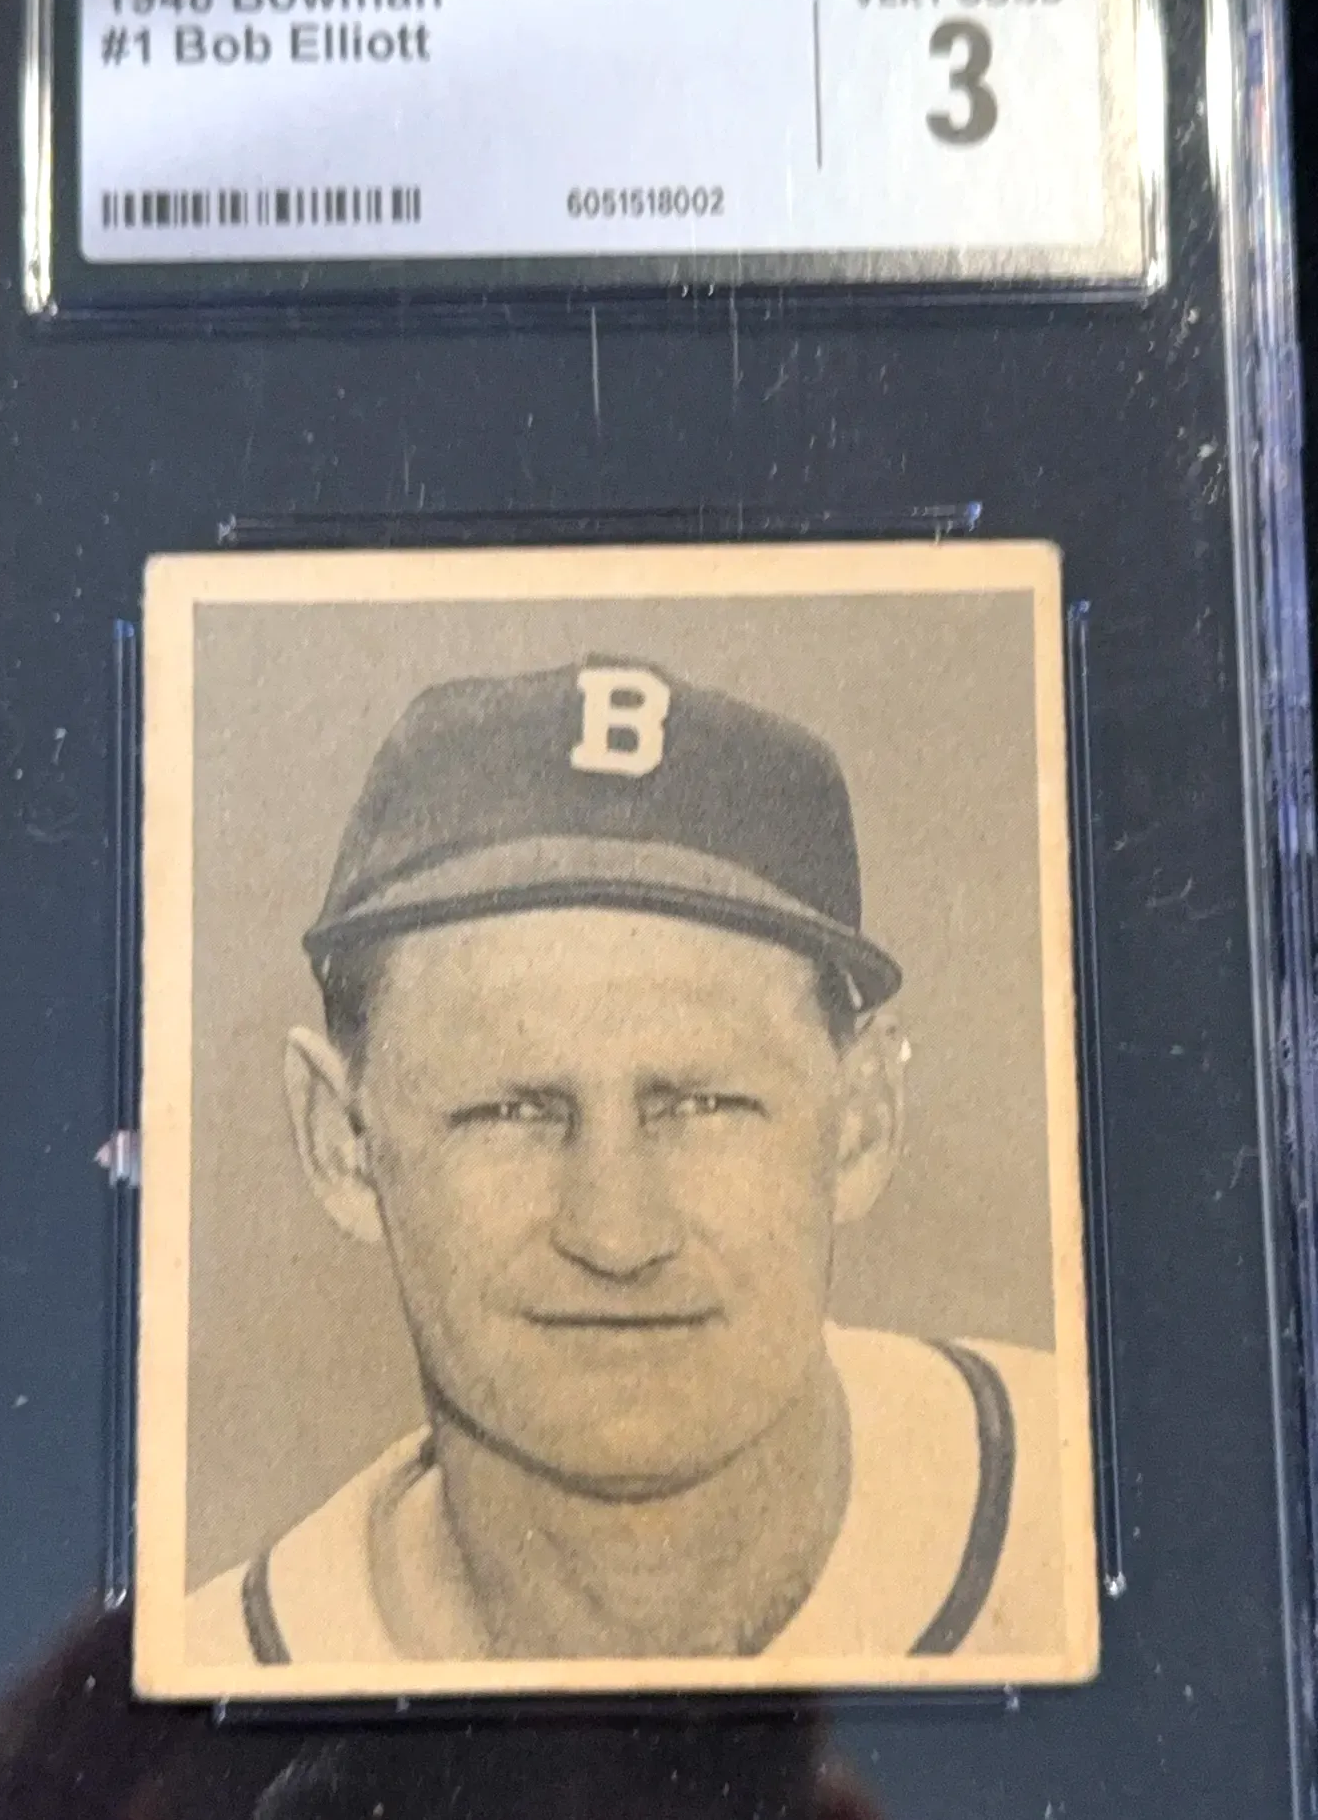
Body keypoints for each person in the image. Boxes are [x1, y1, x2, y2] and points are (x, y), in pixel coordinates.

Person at [186, 657, 1065, 1669]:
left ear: (861, 1118)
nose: (614, 1233)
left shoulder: (1103, 1509)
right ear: (342, 1139)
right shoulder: (194, 1698)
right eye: (511, 1110)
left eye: (701, 1103)